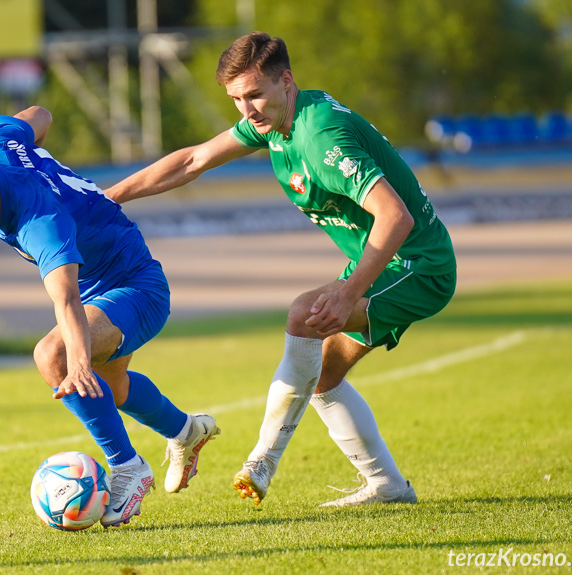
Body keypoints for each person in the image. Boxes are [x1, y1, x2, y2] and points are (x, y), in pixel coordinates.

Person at [105, 32, 456, 507]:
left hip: (418, 265)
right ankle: (387, 486)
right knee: (323, 377)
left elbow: (397, 217)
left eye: (254, 95)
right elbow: (192, 160)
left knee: (303, 316)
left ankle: (262, 460)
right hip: (380, 262)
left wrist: (350, 292)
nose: (246, 110)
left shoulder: (321, 136)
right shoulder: (273, 121)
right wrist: (107, 199)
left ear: (286, 81)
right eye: (235, 99)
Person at [0, 106, 220, 526]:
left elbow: (67, 300)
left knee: (53, 356)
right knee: (110, 389)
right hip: (105, 283)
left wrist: (76, 364)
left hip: (135, 288)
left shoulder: (42, 222)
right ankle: (186, 431)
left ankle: (129, 468)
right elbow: (40, 114)